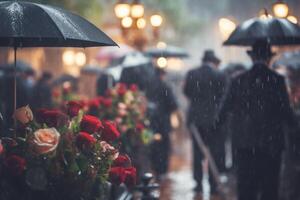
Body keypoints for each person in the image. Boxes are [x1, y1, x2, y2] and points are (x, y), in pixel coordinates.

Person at [216, 41, 299, 200]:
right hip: (272, 145)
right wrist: (294, 125)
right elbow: (286, 112)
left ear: (252, 57)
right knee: (270, 187)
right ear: (269, 58)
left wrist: (216, 128)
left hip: (244, 144)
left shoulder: (237, 80)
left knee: (246, 188)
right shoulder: (277, 80)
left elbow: (224, 109)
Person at [184, 50, 227, 195]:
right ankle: (213, 185)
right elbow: (224, 96)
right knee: (214, 151)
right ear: (214, 61)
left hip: (196, 120)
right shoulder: (220, 74)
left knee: (198, 152)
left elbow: (187, 92)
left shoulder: (192, 73)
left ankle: (198, 184)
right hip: (214, 120)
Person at [148, 68, 178, 179]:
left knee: (153, 144)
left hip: (151, 122)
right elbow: (173, 104)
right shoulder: (165, 86)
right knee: (164, 146)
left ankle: (154, 167)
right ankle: (162, 170)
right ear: (162, 75)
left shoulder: (149, 86)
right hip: (163, 122)